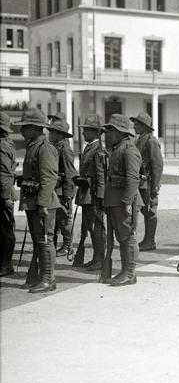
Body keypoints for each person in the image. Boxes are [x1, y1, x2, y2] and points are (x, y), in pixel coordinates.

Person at [14, 108, 61, 293]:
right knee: (38, 241)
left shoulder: (45, 148)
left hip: (44, 203)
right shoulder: (33, 145)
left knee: (45, 241)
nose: (21, 130)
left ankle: (49, 279)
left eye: (25, 127)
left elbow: (49, 178)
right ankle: (38, 277)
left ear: (35, 127)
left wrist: (42, 204)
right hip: (34, 202)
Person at [102, 114, 144, 286]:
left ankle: (130, 273)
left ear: (121, 132)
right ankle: (125, 271)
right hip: (116, 200)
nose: (108, 134)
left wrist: (127, 202)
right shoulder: (119, 148)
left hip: (126, 202)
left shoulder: (129, 150)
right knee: (121, 237)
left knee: (128, 237)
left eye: (111, 130)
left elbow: (133, 179)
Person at [73, 114, 107, 271]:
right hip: (86, 193)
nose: (83, 133)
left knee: (97, 227)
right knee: (90, 226)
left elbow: (101, 176)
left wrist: (100, 197)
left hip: (93, 194)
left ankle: (100, 259)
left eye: (86, 130)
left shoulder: (98, 150)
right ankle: (96, 257)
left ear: (95, 132)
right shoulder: (89, 147)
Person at [130, 113, 163, 251]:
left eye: (137, 124)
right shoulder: (140, 139)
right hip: (141, 182)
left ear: (144, 126)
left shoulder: (151, 141)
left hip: (147, 183)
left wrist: (155, 185)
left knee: (149, 211)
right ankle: (146, 240)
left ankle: (150, 241)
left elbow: (157, 165)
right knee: (144, 210)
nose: (134, 126)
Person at [47, 117, 78, 257]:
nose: (50, 134)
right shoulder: (56, 147)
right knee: (56, 220)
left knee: (64, 219)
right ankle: (57, 245)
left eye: (53, 132)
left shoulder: (65, 149)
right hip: (55, 189)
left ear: (60, 134)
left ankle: (67, 246)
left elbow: (70, 173)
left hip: (61, 190)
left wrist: (67, 195)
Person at [0, 112, 17, 277]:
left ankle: (6, 265)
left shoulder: (3, 146)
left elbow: (5, 173)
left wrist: (5, 197)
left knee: (5, 230)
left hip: (3, 193)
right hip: (3, 192)